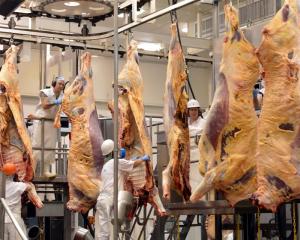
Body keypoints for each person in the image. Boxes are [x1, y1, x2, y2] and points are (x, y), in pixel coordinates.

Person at [95, 139, 150, 240]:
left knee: (104, 231)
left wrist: (130, 160)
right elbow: (133, 165)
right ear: (112, 152)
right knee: (114, 229)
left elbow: (124, 168)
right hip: (110, 200)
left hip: (102, 200)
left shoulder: (105, 166)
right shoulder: (115, 162)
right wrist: (143, 159)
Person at [28, 76, 65, 178]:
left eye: (63, 84)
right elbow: (45, 105)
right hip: (41, 121)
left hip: (52, 123)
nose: (61, 86)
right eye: (59, 84)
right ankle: (31, 171)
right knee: (37, 146)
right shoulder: (44, 92)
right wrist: (57, 102)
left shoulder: (63, 95)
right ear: (54, 83)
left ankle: (46, 171)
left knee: (50, 147)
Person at [3, 163, 30, 240]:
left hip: (2, 220)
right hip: (14, 220)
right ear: (14, 174)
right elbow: (29, 187)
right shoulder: (18, 186)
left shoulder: (1, 187)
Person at [187, 99, 206, 192]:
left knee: (199, 181)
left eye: (195, 109)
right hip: (188, 155)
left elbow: (201, 132)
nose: (193, 112)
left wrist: (189, 131)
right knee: (189, 181)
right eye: (191, 110)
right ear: (188, 111)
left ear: (198, 110)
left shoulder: (204, 122)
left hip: (200, 154)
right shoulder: (185, 123)